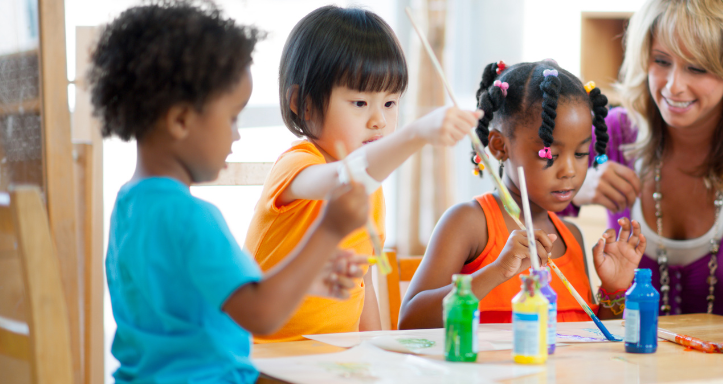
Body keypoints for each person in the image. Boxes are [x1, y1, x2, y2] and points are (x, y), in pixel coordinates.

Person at [96, 2, 368, 381]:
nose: (236, 134)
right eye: (232, 117)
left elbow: (205, 298)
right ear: (180, 120)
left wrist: (308, 277)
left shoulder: (129, 205)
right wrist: (331, 228)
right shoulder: (191, 217)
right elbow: (263, 315)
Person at [243, 6, 481, 341]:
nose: (379, 121)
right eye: (359, 103)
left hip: (335, 359)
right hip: (266, 356)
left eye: (390, 103)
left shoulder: (371, 186)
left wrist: (377, 348)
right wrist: (415, 134)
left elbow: (363, 282)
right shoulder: (297, 164)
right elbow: (344, 178)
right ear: (302, 103)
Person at [562, 0, 723, 318]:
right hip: (634, 360)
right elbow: (515, 203)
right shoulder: (614, 132)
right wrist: (577, 188)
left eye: (697, 67)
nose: (673, 86)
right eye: (661, 61)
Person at [399, 61, 646, 328]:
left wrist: (615, 289)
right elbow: (411, 321)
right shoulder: (468, 223)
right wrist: (497, 271)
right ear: (499, 146)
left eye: (581, 153)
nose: (569, 171)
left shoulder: (572, 237)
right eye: (549, 153)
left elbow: (593, 340)